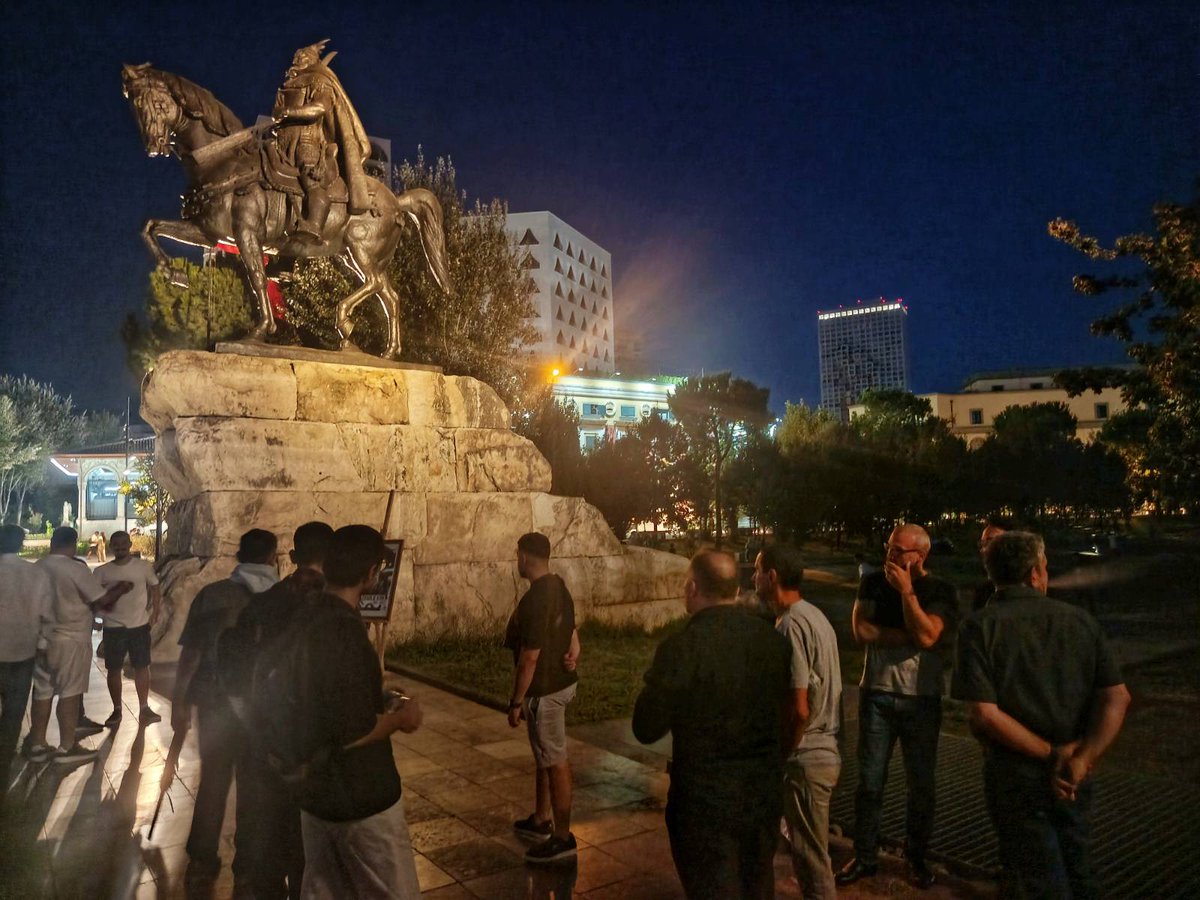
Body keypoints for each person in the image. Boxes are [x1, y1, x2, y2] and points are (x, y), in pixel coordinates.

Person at [953, 531, 1130, 899]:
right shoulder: (1080, 621)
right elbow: (1117, 698)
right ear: (1035, 573)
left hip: (1015, 775)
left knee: (1037, 876)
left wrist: (1051, 755)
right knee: (1078, 865)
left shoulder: (979, 627)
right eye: (1046, 567)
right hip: (1075, 776)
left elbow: (984, 715)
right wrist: (1080, 757)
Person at [633, 550, 791, 900]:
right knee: (757, 886)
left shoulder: (682, 648)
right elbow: (785, 712)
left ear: (691, 588)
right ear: (736, 590)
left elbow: (646, 726)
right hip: (762, 795)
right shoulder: (773, 642)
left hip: (704, 802)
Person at [289, 524, 423, 898]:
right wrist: (401, 718)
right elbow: (352, 732)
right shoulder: (344, 630)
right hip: (360, 800)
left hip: (315, 796)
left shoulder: (305, 615)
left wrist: (377, 694)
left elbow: (324, 694)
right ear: (370, 574)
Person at [838, 523, 958, 890]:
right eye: (889, 547)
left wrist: (907, 594)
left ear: (920, 556)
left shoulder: (939, 590)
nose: (889, 555)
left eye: (898, 551)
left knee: (920, 786)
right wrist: (913, 638)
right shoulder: (872, 582)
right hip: (876, 693)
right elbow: (862, 632)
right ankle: (865, 855)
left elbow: (928, 635)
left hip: (921, 698)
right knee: (869, 783)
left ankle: (916, 858)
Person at [222, 521, 334, 900]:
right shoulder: (330, 608)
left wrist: (252, 727)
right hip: (309, 749)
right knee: (306, 846)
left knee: (267, 839)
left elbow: (234, 672)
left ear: (292, 556)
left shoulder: (264, 602)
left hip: (265, 742)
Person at [172, 529, 279, 886]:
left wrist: (180, 701)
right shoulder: (282, 597)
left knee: (214, 779)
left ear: (237, 556)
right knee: (255, 783)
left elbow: (191, 655)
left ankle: (202, 856)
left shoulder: (212, 595)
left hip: (215, 701)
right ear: (272, 557)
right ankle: (249, 859)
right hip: (261, 708)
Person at [754, 544, 842, 900]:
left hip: (807, 757)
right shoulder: (815, 616)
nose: (753, 577)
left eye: (758, 570)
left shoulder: (790, 625)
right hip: (825, 751)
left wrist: (782, 753)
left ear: (772, 576)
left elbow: (799, 707)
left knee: (811, 860)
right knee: (807, 851)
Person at [504, 532, 581, 864]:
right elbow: (572, 631)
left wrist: (516, 702)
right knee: (545, 754)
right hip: (561, 683)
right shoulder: (559, 586)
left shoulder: (535, 599)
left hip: (545, 691)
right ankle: (540, 819)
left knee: (555, 759)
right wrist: (574, 653)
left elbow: (529, 657)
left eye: (517, 556)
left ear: (523, 558)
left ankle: (562, 837)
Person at [26, 527, 131, 764]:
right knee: (70, 694)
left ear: (52, 542)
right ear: (73, 544)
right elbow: (101, 599)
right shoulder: (74, 569)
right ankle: (66, 747)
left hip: (41, 640)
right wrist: (121, 588)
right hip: (70, 640)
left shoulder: (37, 568)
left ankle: (37, 744)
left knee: (42, 692)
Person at [272, 40, 373, 243]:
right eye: (296, 57)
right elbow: (276, 113)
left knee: (310, 180)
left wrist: (289, 112)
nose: (297, 60)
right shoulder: (285, 86)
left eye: (303, 57)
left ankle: (314, 225)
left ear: (312, 60)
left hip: (307, 142)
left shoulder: (318, 80)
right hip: (281, 143)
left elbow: (320, 107)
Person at [0, 524, 52, 787]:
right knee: (13, 713)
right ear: (21, 544)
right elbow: (46, 614)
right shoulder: (35, 574)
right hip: (22, 652)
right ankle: (5, 762)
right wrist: (41, 645)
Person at [96, 530, 162, 726]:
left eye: (123, 543)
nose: (120, 547)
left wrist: (155, 613)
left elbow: (155, 588)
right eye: (116, 544)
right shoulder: (102, 572)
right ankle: (117, 709)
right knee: (114, 669)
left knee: (142, 666)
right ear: (111, 546)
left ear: (130, 544)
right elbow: (94, 597)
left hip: (139, 625)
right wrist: (97, 617)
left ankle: (144, 707)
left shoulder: (143, 567)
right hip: (113, 627)